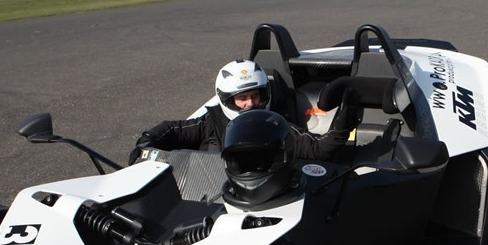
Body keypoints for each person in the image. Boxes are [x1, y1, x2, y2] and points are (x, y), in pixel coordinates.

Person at [130, 58, 356, 162]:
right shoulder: (211, 121)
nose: (251, 103)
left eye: (255, 96)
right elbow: (173, 130)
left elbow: (318, 149)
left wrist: (344, 122)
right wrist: (145, 144)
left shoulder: (276, 124)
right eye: (242, 98)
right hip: (205, 200)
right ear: (227, 99)